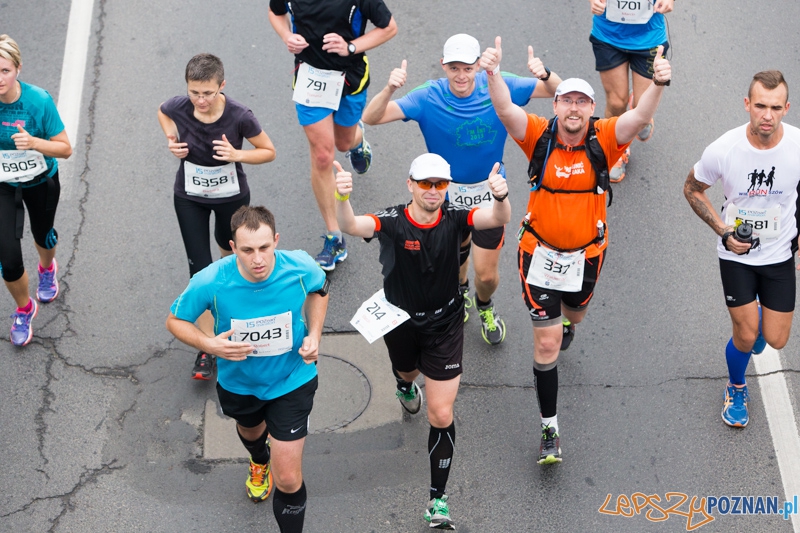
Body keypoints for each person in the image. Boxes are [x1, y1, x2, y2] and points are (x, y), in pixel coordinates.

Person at [482, 36, 671, 464]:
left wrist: (658, 84)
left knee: (576, 314)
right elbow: (505, 111)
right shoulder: (539, 136)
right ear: (556, 107)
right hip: (539, 255)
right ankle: (550, 427)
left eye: (581, 103)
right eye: (566, 101)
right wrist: (491, 73)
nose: (573, 108)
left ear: (590, 110)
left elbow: (639, 114)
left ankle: (569, 322)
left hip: (587, 255)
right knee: (547, 345)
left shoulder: (604, 137)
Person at [335, 153, 510, 529]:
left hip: (445, 324)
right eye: (426, 183)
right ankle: (403, 385)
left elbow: (497, 219)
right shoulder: (394, 221)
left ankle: (438, 500)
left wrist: (500, 196)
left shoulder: (456, 217)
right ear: (410, 184)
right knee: (406, 371)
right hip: (401, 322)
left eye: (440, 185)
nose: (433, 191)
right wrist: (342, 196)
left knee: (440, 413)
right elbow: (350, 224)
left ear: (447, 188)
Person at [362, 33, 561, 345]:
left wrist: (544, 73)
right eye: (454, 68)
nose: (461, 75)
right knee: (455, 261)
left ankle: (485, 305)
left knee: (487, 275)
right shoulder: (428, 96)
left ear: (478, 66)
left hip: (489, 196)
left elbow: (557, 91)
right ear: (444, 66)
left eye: (468, 68)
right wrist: (389, 88)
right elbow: (371, 118)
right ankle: (462, 291)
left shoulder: (499, 84)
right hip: (442, 197)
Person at [166, 205, 328, 532]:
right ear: (232, 247)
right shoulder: (211, 280)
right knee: (252, 433)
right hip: (239, 382)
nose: (258, 259)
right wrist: (209, 344)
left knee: (288, 477)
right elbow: (175, 320)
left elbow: (320, 290)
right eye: (247, 250)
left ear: (276, 241)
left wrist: (314, 334)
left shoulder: (299, 266)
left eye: (265, 248)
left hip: (292, 378)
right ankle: (258, 459)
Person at [684, 70, 800, 428]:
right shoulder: (724, 149)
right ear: (747, 105)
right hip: (737, 255)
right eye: (760, 105)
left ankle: (759, 326)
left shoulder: (797, 145)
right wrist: (723, 232)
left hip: (780, 254)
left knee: (776, 340)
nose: (767, 114)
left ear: (786, 108)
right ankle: (736, 387)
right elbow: (691, 188)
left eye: (775, 107)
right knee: (746, 335)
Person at [157, 53, 276, 380]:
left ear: (221, 86)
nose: (200, 100)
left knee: (232, 257)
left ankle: (238, 308)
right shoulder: (180, 105)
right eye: (194, 92)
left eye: (207, 93)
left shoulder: (240, 116)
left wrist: (238, 154)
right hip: (190, 197)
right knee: (200, 268)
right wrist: (171, 139)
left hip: (230, 197)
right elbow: (163, 112)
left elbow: (269, 151)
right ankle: (208, 347)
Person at [268, 0, 397, 271]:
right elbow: (276, 12)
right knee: (324, 155)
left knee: (343, 142)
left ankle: (358, 141)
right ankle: (334, 236)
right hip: (310, 78)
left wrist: (351, 46)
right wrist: (286, 36)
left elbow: (388, 28)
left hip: (349, 78)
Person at [0, 34, 72, 346]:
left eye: (4, 70)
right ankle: (24, 308)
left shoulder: (38, 101)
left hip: (41, 181)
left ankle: (46, 268)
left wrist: (34, 143)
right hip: (3, 185)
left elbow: (65, 148)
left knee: (43, 234)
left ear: (18, 68)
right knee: (9, 257)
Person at [589, 0, 673, 182]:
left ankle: (638, 103)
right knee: (616, 102)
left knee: (641, 115)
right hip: (608, 36)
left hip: (649, 39)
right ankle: (615, 151)